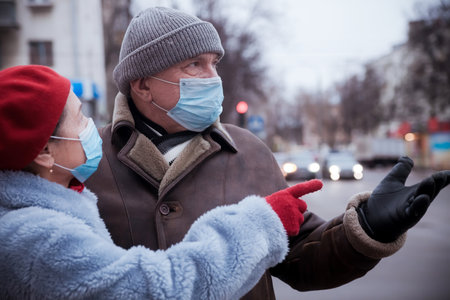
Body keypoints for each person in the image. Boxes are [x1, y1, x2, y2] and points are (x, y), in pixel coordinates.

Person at [86, 6, 450, 300]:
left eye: (214, 62)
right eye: (194, 64)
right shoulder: (86, 161)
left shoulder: (248, 151)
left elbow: (300, 257)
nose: (213, 77)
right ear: (143, 84)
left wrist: (367, 228)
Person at [0, 65, 326, 299]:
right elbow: (160, 288)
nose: (90, 125)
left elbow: (306, 250)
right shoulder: (37, 239)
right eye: (79, 117)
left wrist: (364, 227)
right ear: (44, 150)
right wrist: (259, 223)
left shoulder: (61, 195)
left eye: (213, 62)